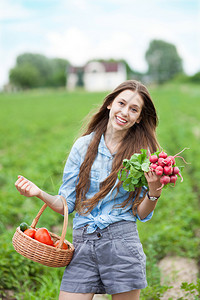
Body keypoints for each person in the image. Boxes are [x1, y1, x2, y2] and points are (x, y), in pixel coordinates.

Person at [15, 80, 163, 300]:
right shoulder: (83, 146)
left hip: (122, 243)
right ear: (110, 104)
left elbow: (141, 213)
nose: (125, 112)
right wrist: (39, 193)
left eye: (134, 109)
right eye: (121, 103)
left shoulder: (142, 156)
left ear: (139, 117)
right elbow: (67, 205)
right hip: (83, 245)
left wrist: (154, 191)